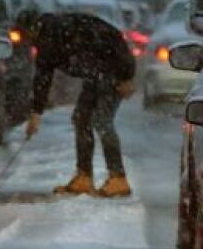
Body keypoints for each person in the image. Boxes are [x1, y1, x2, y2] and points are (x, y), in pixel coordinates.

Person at [27, 12, 137, 197]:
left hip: (112, 73)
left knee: (102, 121)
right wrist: (36, 112)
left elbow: (114, 40)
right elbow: (43, 77)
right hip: (94, 76)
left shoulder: (66, 29)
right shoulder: (48, 40)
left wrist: (126, 76)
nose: (28, 41)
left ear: (35, 28)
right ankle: (84, 177)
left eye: (28, 35)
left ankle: (118, 178)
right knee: (81, 118)